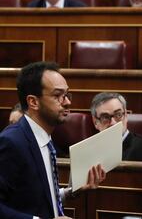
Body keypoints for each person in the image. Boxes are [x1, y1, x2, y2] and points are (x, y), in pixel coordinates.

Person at [0, 61, 105, 219]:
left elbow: (35, 197)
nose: (68, 102)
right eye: (58, 96)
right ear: (33, 102)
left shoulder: (45, 137)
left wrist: (71, 191)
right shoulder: (12, 142)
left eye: (67, 95)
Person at [91, 92, 142, 162]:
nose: (113, 123)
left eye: (118, 115)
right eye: (105, 117)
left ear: (126, 115)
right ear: (95, 122)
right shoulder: (88, 151)